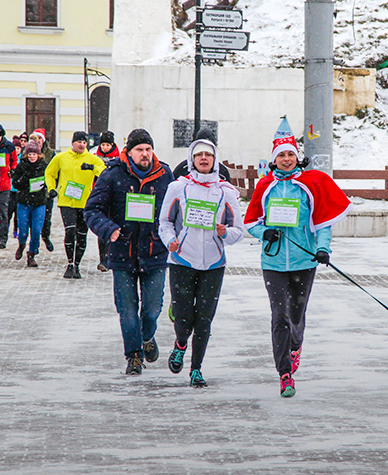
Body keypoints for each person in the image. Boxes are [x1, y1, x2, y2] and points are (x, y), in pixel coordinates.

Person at [244, 117, 351, 398]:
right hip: (274, 262)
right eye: (282, 155)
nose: (287, 159)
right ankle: (285, 374)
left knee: (296, 315)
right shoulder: (264, 187)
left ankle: (295, 346)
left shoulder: (309, 184)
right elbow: (251, 221)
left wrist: (323, 248)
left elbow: (323, 221)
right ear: (274, 160)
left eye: (291, 153)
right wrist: (264, 233)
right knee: (279, 316)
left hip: (305, 261)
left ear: (296, 157)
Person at [84, 128, 174, 375]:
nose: (144, 154)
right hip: (123, 251)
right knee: (126, 308)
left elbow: (177, 209)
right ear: (129, 152)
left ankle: (147, 336)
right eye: (139, 150)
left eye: (148, 149)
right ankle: (133, 355)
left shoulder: (165, 174)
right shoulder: (113, 174)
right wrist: (109, 229)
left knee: (152, 308)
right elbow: (92, 210)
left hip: (155, 252)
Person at [159, 134, 245, 387]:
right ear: (192, 160)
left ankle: (196, 368)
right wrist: (170, 241)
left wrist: (224, 233)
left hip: (214, 264)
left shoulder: (226, 192)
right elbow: (164, 221)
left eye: (208, 155)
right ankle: (180, 343)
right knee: (184, 317)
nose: (204, 159)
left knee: (204, 319)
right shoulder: (178, 187)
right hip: (182, 260)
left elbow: (238, 231)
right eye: (199, 155)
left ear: (215, 160)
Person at [45, 131, 105, 278]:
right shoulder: (61, 157)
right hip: (66, 201)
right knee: (70, 232)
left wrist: (92, 168)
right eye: (79, 142)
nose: (82, 145)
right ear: (73, 143)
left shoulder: (92, 159)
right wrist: (51, 188)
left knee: (82, 235)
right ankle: (70, 264)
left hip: (85, 202)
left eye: (84, 142)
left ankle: (77, 265)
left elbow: (104, 172)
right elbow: (49, 173)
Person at [11, 140, 47, 267]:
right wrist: (25, 178)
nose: (32, 156)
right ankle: (21, 245)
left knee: (37, 230)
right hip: (24, 202)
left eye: (34, 154)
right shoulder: (21, 166)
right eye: (29, 154)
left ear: (39, 154)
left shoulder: (44, 166)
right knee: (23, 231)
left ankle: (31, 254)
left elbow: (51, 179)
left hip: (39, 202)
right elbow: (15, 184)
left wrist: (47, 187)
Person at [91, 131, 120, 272]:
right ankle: (103, 258)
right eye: (103, 144)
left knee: (113, 227)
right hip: (100, 196)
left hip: (114, 198)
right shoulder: (94, 157)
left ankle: (110, 256)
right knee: (102, 227)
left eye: (107, 144)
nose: (105, 147)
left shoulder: (119, 159)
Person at [29, 128, 55, 252]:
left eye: (40, 138)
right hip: (32, 191)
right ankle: (35, 244)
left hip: (46, 191)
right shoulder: (28, 152)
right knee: (33, 220)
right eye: (36, 138)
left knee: (46, 218)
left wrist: (53, 186)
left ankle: (45, 236)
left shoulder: (50, 153)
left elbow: (55, 171)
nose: (38, 141)